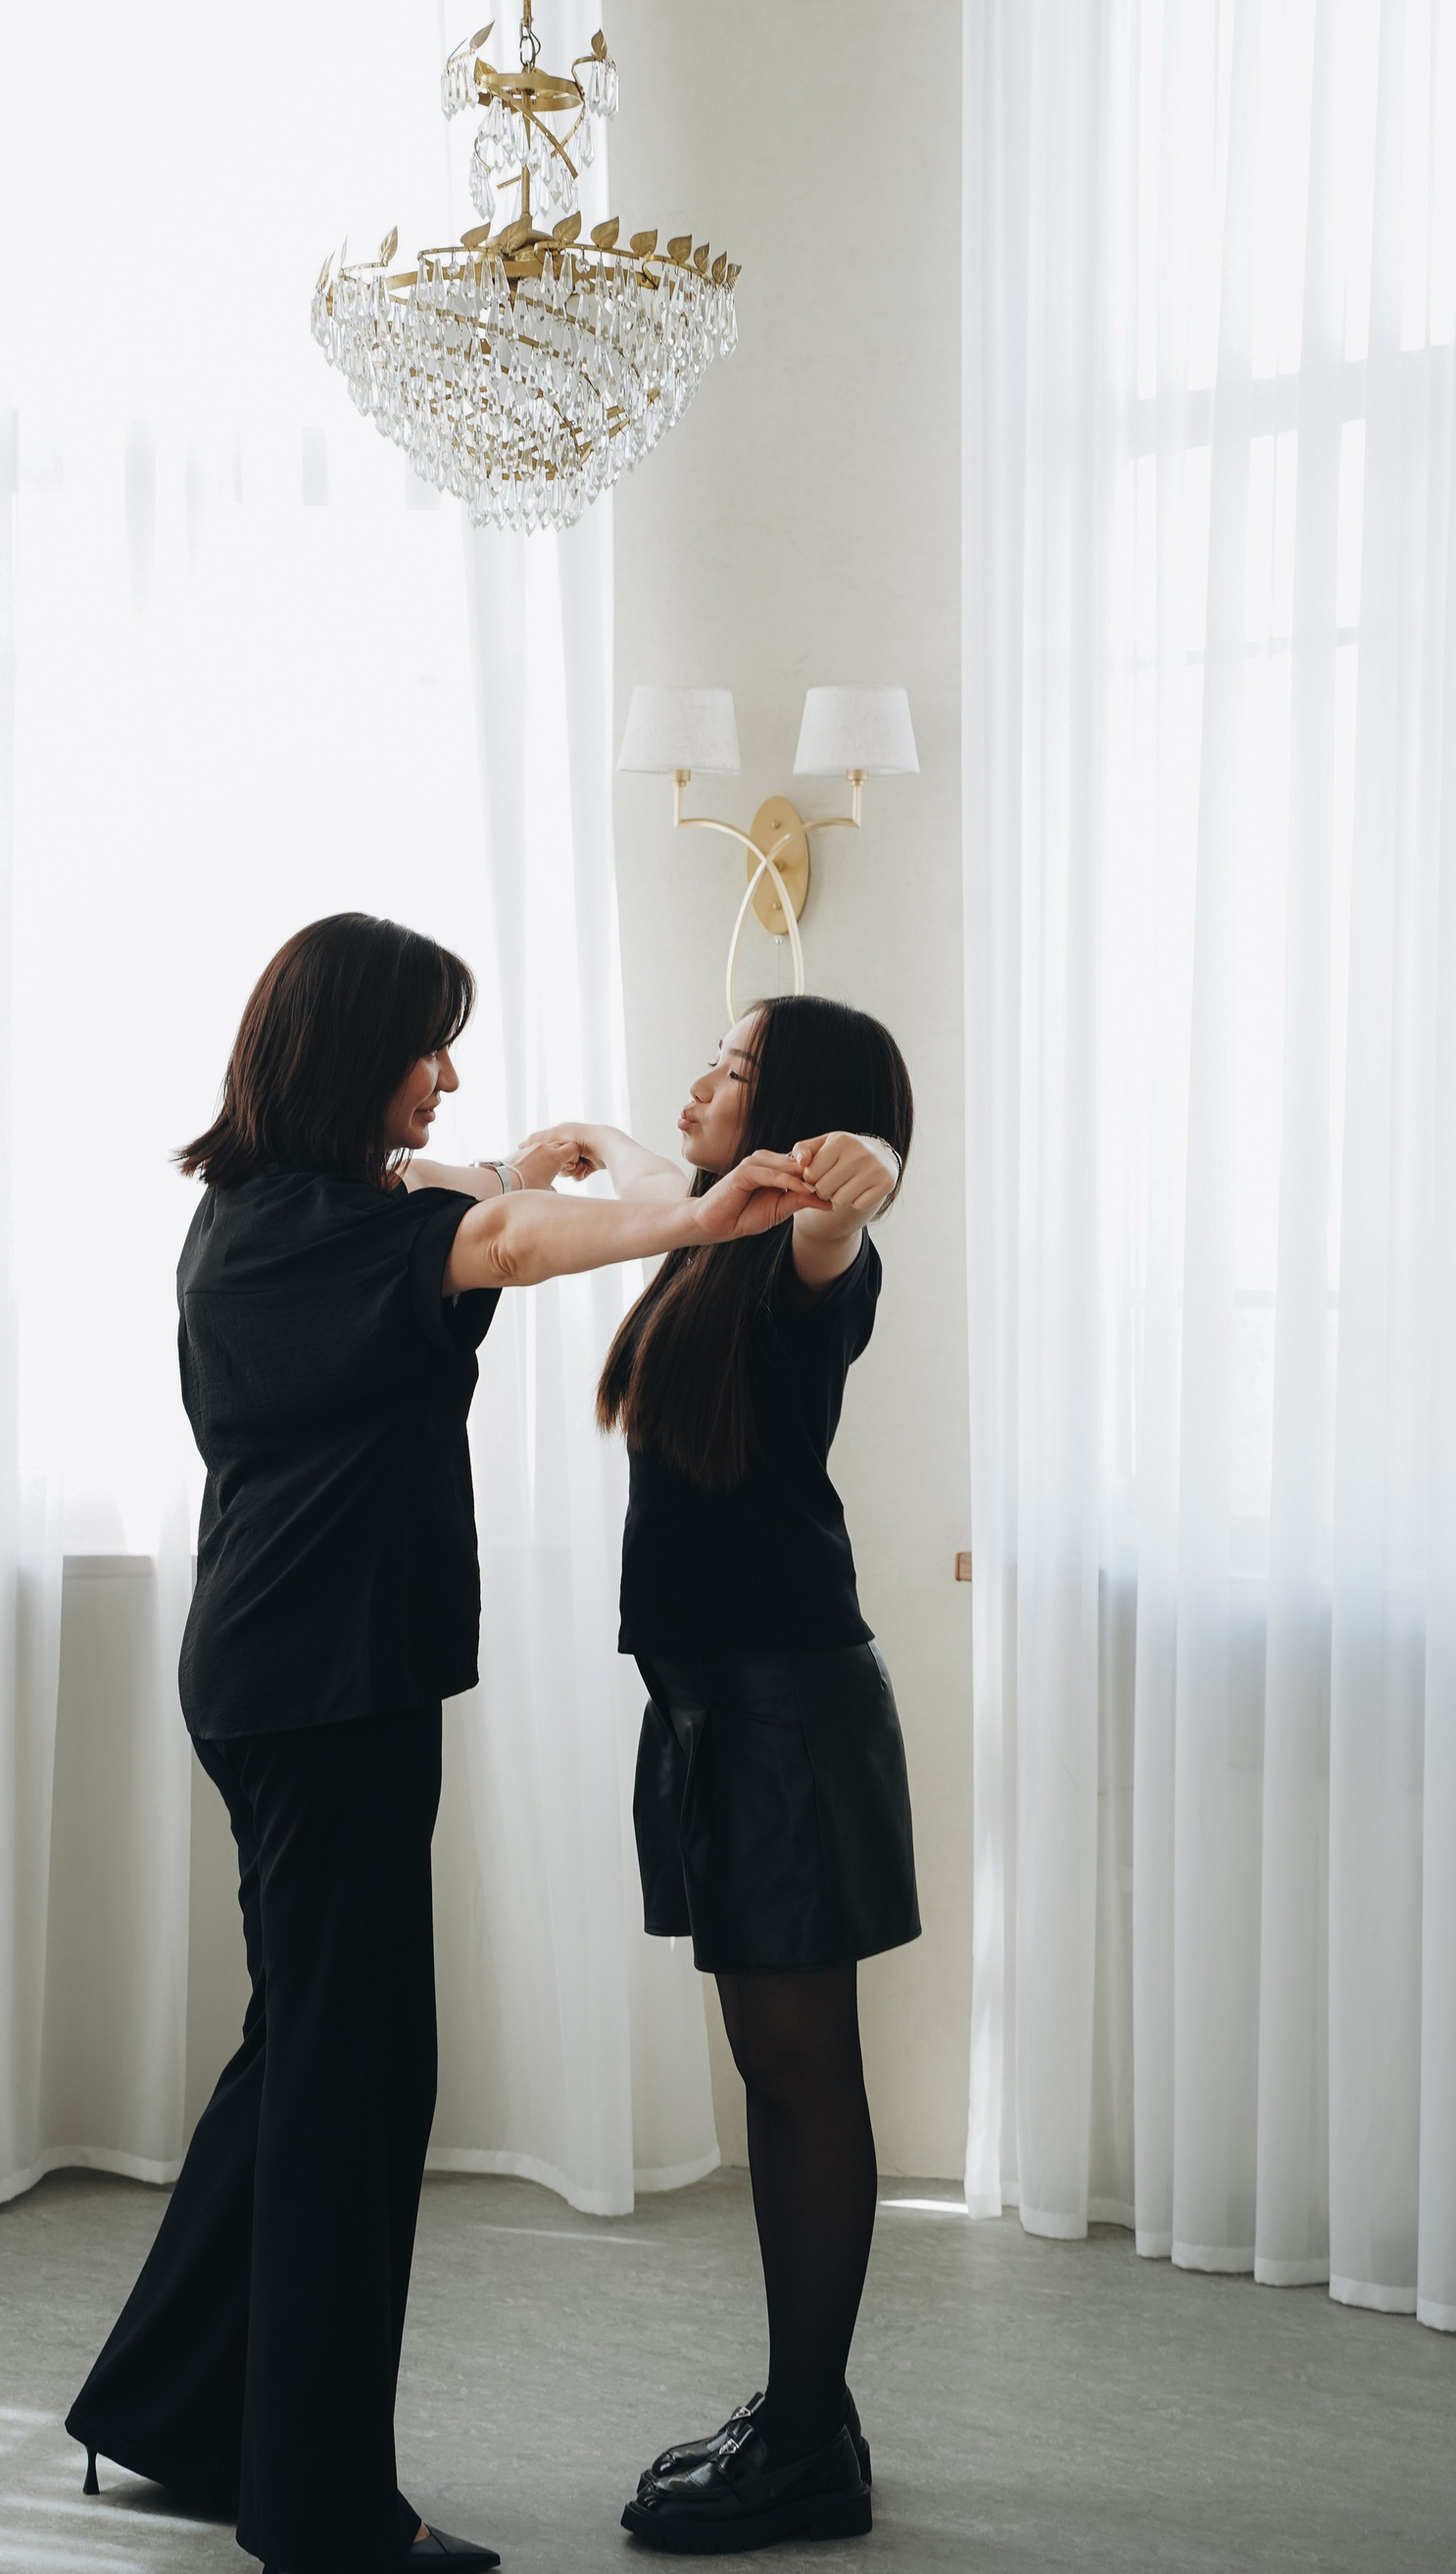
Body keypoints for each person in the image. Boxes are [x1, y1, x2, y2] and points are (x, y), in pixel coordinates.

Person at [66, 914, 829, 2574]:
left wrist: (506, 1164)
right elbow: (506, 1244)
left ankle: (177, 2405)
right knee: (356, 2082)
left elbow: (463, 1201)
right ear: (356, 1056)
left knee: (303, 2052)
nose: (450, 1076)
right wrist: (690, 1216)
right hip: (326, 1690)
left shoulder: (267, 1211)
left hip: (288, 1676)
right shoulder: (337, 1235)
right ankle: (324, 2509)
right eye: (429, 1046)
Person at [531, 993, 917, 2554]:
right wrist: (591, 1144)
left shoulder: (806, 1257)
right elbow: (661, 1171)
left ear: (797, 1113)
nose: (702, 1080)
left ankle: (808, 2444)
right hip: (715, 1712)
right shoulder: (710, 1234)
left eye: (737, 1067)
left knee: (803, 2070)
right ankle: (803, 2407)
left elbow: (847, 1215)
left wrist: (869, 1165)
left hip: (782, 1718)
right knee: (777, 2069)